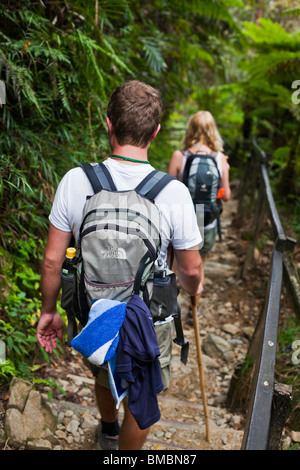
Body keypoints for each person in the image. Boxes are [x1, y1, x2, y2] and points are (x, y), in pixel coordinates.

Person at [36, 80, 203, 451]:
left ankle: (108, 429)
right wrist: (194, 289)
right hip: (147, 318)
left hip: (94, 308)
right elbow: (190, 271)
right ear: (155, 133)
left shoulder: (76, 180)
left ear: (108, 124)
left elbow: (52, 258)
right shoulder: (173, 191)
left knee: (103, 365)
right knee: (142, 397)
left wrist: (49, 311)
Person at [168, 110, 231, 321]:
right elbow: (227, 195)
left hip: (183, 221)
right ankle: (194, 309)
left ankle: (167, 307)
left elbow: (167, 193)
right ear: (213, 131)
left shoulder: (180, 156)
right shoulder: (220, 159)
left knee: (174, 264)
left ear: (190, 129)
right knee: (198, 263)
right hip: (207, 222)